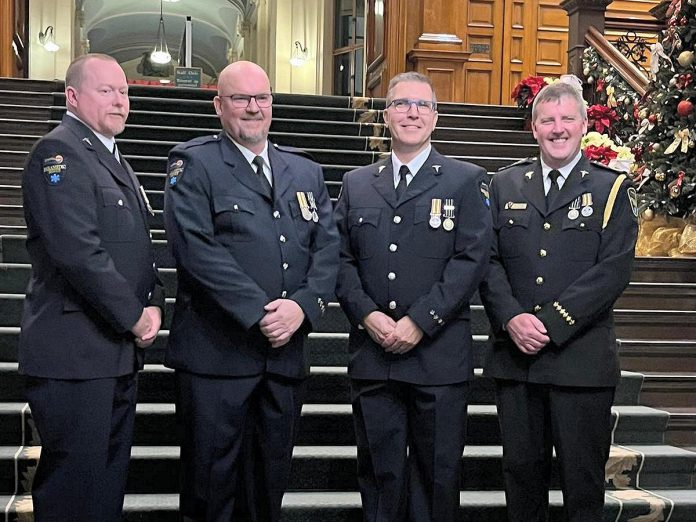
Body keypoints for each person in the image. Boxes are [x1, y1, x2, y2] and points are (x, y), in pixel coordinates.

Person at [163, 60, 340, 521]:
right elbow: (195, 249)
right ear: (219, 105)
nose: (253, 108)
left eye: (261, 98)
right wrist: (261, 312)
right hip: (217, 357)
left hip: (283, 361)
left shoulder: (305, 171)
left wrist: (302, 307)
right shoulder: (194, 162)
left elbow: (328, 248)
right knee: (209, 490)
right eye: (241, 99)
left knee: (269, 486)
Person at [334, 71, 492, 521]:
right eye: (402, 104)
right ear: (386, 115)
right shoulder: (357, 182)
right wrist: (367, 315)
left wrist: (420, 320)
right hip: (374, 354)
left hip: (438, 357)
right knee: (380, 477)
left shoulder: (466, 180)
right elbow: (339, 259)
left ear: (436, 117)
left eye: (422, 105)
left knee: (437, 478)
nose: (412, 113)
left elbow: (470, 261)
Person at [479, 78, 638, 521]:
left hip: (581, 363)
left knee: (582, 484)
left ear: (584, 124)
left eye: (568, 118)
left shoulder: (610, 189)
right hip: (517, 361)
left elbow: (614, 270)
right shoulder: (505, 184)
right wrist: (511, 318)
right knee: (521, 477)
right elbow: (487, 262)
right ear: (533, 128)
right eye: (547, 120)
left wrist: (551, 322)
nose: (557, 128)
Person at [19, 53, 164, 522]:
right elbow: (78, 252)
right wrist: (135, 314)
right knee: (73, 489)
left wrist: (156, 300)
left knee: (104, 486)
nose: (121, 101)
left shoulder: (110, 157)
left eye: (124, 91)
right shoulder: (58, 153)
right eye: (107, 91)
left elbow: (139, 248)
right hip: (74, 353)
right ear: (72, 97)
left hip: (113, 353)